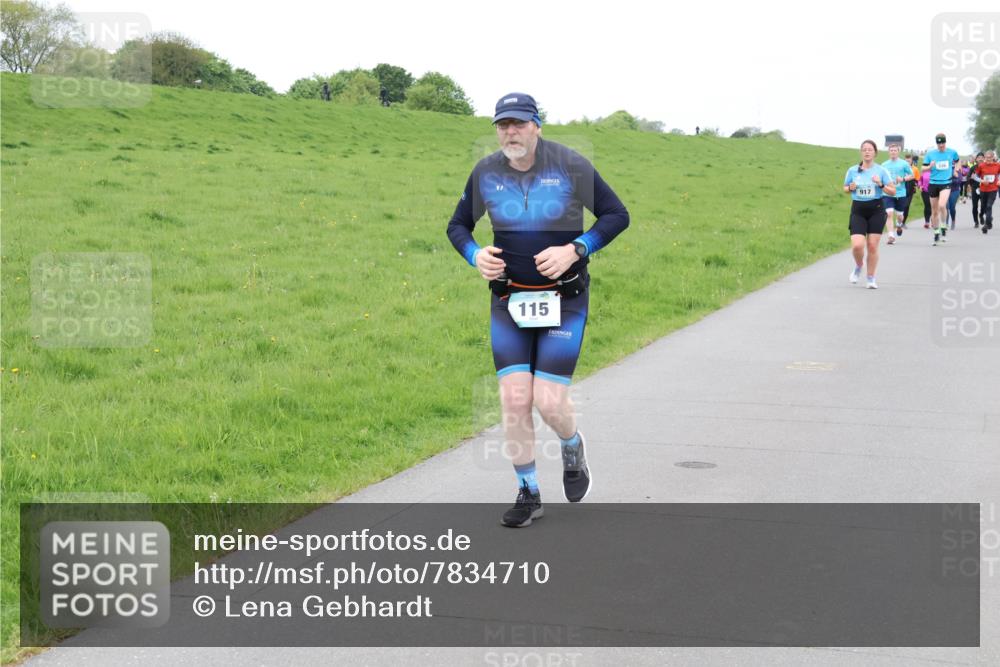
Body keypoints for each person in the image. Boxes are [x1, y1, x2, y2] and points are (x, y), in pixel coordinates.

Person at [447, 92, 629, 527]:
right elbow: (457, 225)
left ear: (536, 125)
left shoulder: (570, 165)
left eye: (519, 123)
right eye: (502, 125)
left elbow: (615, 215)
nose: (510, 132)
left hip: (564, 300)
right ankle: (529, 492)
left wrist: (576, 248)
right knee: (513, 397)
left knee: (548, 402)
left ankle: (571, 444)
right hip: (510, 299)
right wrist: (475, 255)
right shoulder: (486, 172)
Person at [844, 140, 896, 289]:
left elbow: (892, 191)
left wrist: (880, 184)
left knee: (872, 246)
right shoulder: (852, 170)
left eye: (870, 149)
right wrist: (850, 187)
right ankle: (859, 266)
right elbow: (845, 188)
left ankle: (871, 278)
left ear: (875, 153)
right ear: (861, 152)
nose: (867, 152)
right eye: (864, 149)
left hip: (876, 209)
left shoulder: (881, 171)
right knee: (857, 246)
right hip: (858, 210)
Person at [923, 133, 960, 245]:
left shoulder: (952, 152)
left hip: (946, 183)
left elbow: (958, 161)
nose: (941, 145)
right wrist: (929, 166)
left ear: (945, 142)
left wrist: (955, 170)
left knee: (942, 205)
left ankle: (943, 226)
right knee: (934, 211)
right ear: (937, 144)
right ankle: (936, 232)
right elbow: (923, 168)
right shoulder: (930, 154)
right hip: (933, 184)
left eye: (943, 143)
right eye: (939, 143)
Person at [880, 144, 913, 244]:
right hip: (888, 193)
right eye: (891, 150)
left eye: (895, 150)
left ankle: (899, 225)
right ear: (889, 152)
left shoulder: (904, 164)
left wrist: (902, 179)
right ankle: (891, 235)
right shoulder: (884, 165)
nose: (893, 152)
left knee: (900, 216)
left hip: (900, 193)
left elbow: (911, 176)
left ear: (898, 152)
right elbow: (881, 177)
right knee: (889, 213)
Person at [975, 149, 1000, 234]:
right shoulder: (981, 166)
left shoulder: (997, 165)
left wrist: (999, 181)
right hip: (983, 190)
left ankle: (986, 225)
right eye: (986, 157)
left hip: (993, 189)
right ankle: (989, 220)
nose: (988, 159)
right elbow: (975, 177)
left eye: (990, 157)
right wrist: (982, 181)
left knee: (989, 206)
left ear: (993, 157)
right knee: (984, 207)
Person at [970, 152, 984, 227]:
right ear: (976, 159)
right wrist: (971, 179)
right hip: (975, 189)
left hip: (984, 189)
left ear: (984, 159)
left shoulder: (987, 167)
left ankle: (981, 215)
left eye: (982, 157)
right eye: (979, 158)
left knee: (983, 206)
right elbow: (968, 178)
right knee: (975, 206)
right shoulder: (973, 168)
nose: (980, 159)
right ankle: (976, 222)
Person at [919, 162, 932, 228]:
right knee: (927, 205)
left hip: (933, 191)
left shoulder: (934, 171)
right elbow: (920, 180)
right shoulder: (923, 172)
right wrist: (920, 186)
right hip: (925, 191)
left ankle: (933, 220)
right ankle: (927, 222)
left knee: (933, 206)